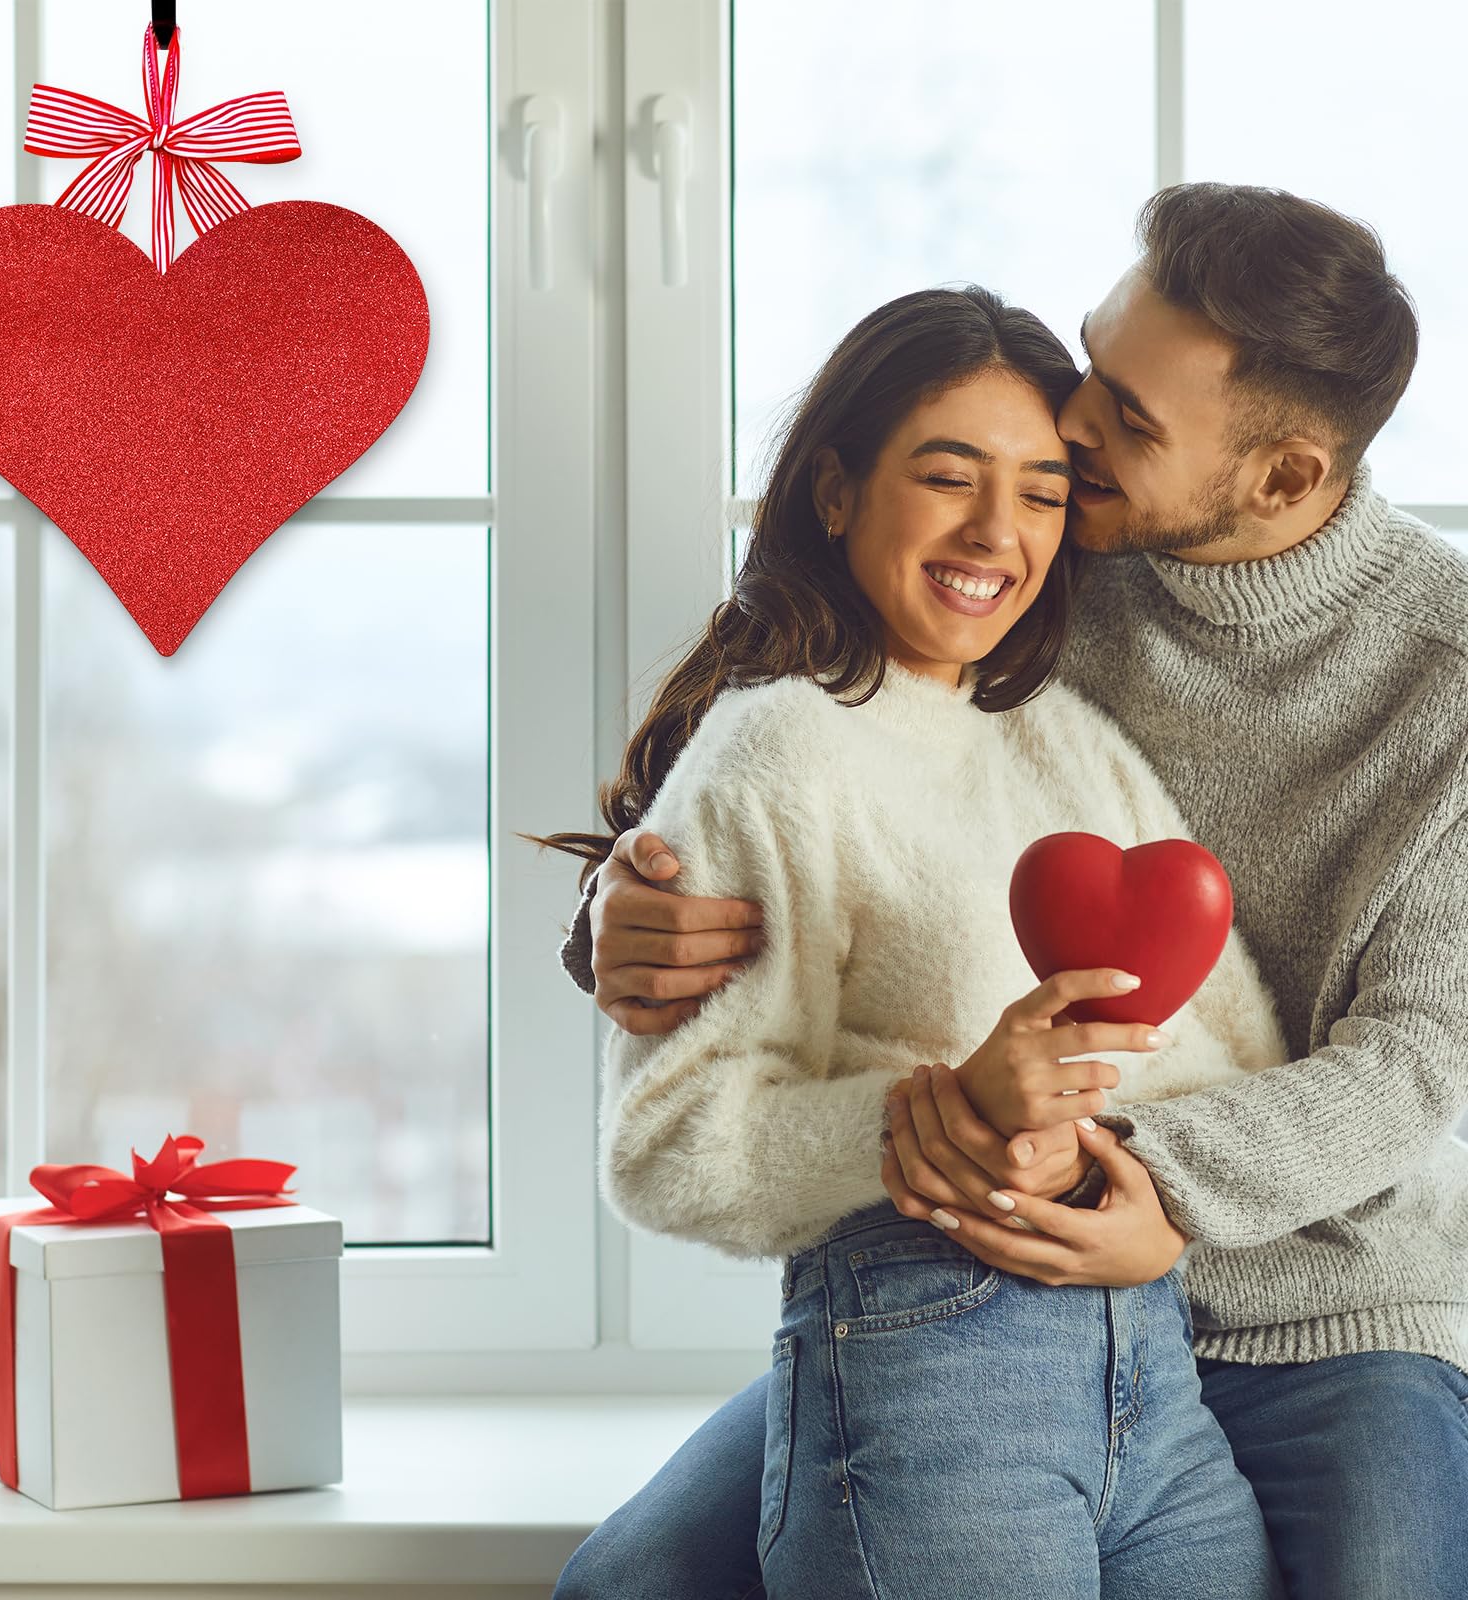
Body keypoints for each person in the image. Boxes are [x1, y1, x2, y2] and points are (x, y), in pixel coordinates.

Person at [548, 184, 1468, 1599]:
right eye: (1094, 365)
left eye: (1128, 421)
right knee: (631, 1583)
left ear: (1284, 476)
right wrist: (627, 910)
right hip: (998, 1294)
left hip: (1324, 1306)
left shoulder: (1446, 674)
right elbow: (832, 773)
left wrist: (1151, 1184)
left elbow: (1421, 1063)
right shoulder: (1042, 558)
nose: (1072, 430)